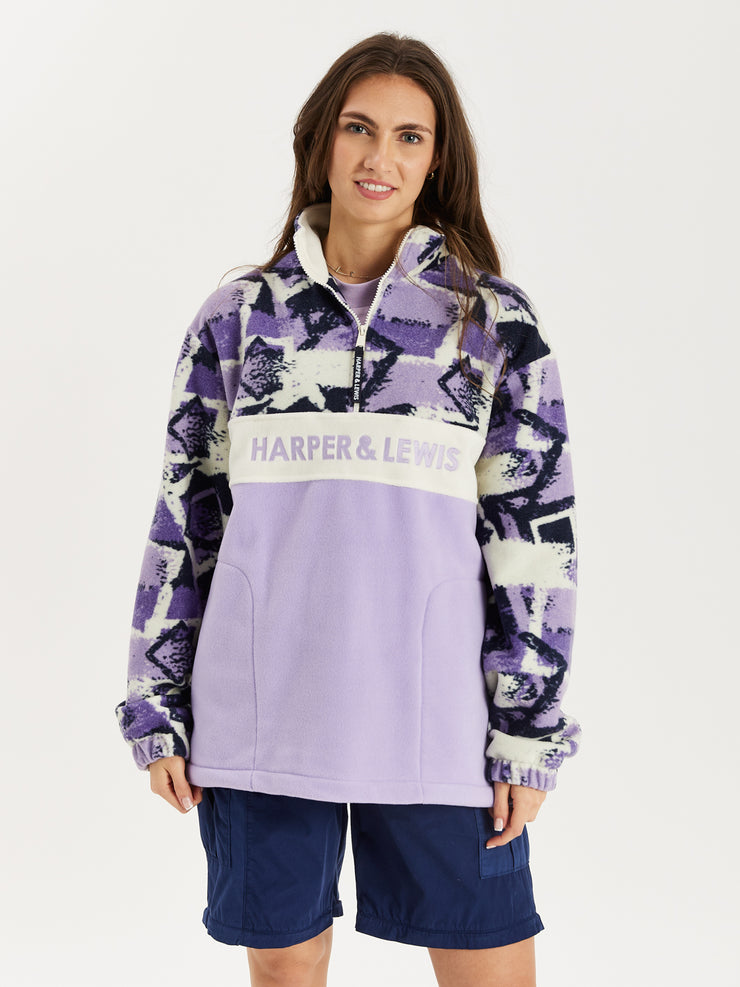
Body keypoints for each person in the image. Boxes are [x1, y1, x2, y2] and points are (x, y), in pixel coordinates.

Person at [116, 32, 581, 987]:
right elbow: (185, 521)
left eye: (410, 137)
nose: (380, 157)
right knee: (287, 962)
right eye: (359, 128)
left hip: (441, 718)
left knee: (491, 963)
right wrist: (156, 703)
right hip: (262, 713)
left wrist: (528, 730)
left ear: (436, 160)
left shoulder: (491, 324)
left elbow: (534, 540)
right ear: (321, 139)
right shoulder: (238, 318)